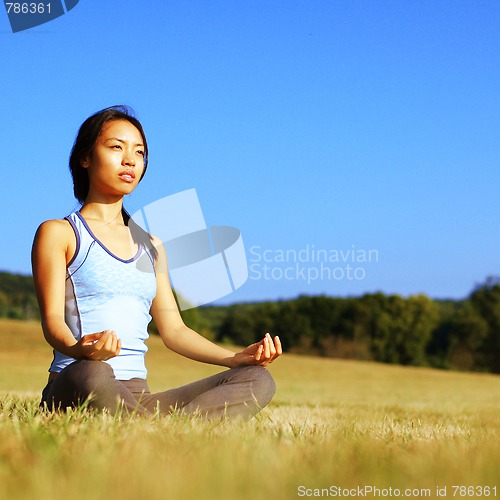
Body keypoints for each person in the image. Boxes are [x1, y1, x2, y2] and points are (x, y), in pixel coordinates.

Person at [32, 105, 281, 419]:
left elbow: (174, 330)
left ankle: (149, 427)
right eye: (116, 147)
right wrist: (81, 350)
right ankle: (165, 430)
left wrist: (235, 358)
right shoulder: (59, 233)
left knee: (257, 379)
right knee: (93, 373)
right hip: (78, 381)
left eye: (139, 152)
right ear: (85, 158)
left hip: (137, 397)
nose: (130, 160)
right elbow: (53, 323)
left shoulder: (151, 245)